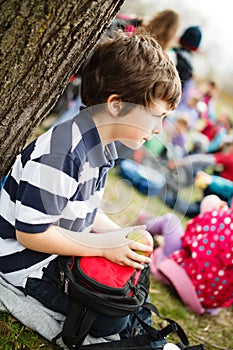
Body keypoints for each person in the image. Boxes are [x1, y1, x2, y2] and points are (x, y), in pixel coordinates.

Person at [0, 31, 181, 341]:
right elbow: (31, 233)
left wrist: (120, 234)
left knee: (123, 299)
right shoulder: (63, 152)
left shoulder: (100, 144)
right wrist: (105, 246)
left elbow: (82, 208)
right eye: (155, 116)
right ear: (116, 104)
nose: (158, 129)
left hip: (54, 253)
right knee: (110, 321)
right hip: (25, 265)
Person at [137, 195, 233, 315]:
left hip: (183, 279)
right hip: (211, 302)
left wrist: (215, 213)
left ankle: (145, 223)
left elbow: (188, 238)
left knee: (171, 221)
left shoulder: (221, 219)